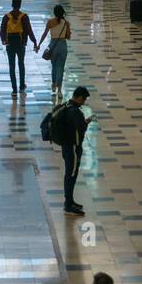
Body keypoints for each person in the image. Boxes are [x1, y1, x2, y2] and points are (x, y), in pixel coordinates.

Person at [52, 85, 90, 215]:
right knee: (71, 175)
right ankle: (68, 204)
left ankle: (70, 200)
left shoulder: (67, 105)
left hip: (66, 146)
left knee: (70, 173)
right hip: (73, 147)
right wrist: (87, 122)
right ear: (79, 97)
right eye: (83, 99)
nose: (84, 102)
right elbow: (81, 128)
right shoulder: (76, 112)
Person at [0, 0, 37, 96]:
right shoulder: (24, 16)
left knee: (12, 66)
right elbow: (29, 30)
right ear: (20, 4)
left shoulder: (7, 17)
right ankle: (21, 86)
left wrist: (4, 40)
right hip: (21, 44)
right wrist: (34, 41)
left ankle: (14, 89)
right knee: (21, 64)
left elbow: (2, 30)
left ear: (12, 4)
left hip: (10, 44)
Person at [36, 4, 72, 98]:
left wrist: (39, 44)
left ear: (54, 13)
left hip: (53, 46)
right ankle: (59, 90)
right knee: (60, 68)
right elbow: (68, 37)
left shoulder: (50, 22)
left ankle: (53, 84)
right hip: (62, 46)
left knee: (54, 66)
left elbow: (44, 34)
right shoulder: (66, 23)